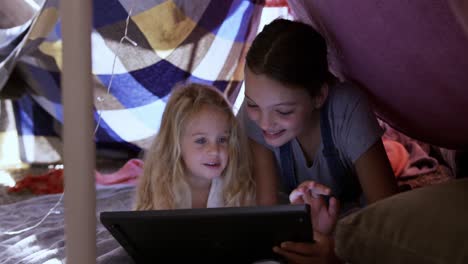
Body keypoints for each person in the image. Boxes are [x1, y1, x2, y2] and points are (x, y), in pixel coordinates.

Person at [238, 18, 399, 262]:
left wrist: (337, 252)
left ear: (319, 96)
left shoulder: (346, 108)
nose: (264, 123)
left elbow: (390, 216)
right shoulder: (254, 118)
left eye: (283, 111)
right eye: (252, 104)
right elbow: (267, 218)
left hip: (356, 231)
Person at [135, 83, 256, 210]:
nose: (214, 151)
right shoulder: (162, 186)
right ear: (175, 143)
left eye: (222, 139)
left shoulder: (237, 187)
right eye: (201, 140)